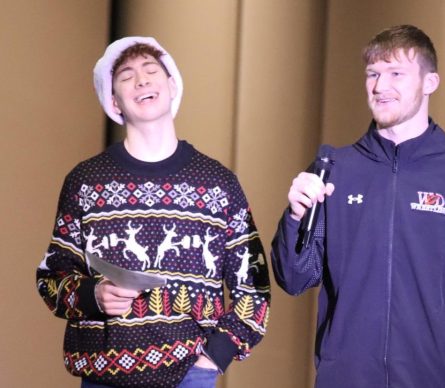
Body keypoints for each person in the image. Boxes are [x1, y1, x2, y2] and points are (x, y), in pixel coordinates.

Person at [271, 25, 445, 388]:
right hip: (347, 377)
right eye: (373, 74)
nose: (379, 87)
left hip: (435, 376)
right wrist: (294, 216)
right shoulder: (335, 170)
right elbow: (294, 278)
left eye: (396, 74)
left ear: (430, 82)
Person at [36, 36, 270, 388]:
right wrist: (92, 295)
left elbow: (253, 286)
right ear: (113, 101)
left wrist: (213, 358)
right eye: (127, 76)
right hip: (104, 375)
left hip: (190, 373)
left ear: (172, 85)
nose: (142, 80)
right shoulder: (86, 181)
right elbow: (51, 278)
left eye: (151, 70)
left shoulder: (219, 184)